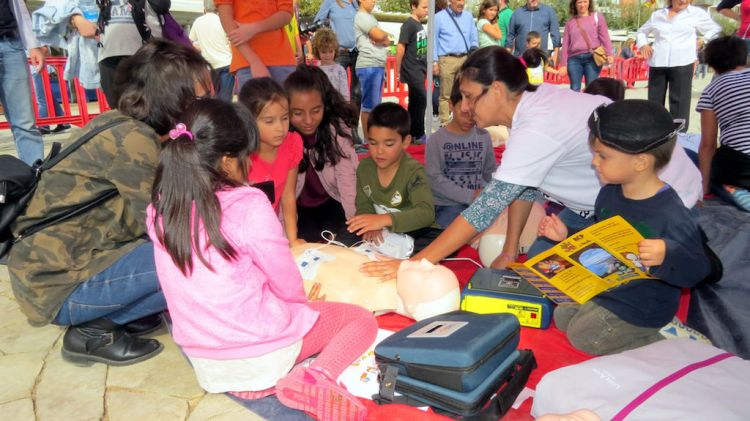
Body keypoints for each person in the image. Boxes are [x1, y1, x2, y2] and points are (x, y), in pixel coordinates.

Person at [358, 47, 703, 281]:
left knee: (589, 284)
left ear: (495, 90)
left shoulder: (537, 126)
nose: (464, 107)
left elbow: (482, 210)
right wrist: (510, 250)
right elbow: (524, 182)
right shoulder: (531, 109)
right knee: (542, 267)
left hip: (661, 202)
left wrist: (414, 265)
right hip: (603, 204)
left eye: (468, 96)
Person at [147, 98, 376, 420]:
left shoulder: (159, 209)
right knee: (358, 319)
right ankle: (315, 376)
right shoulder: (247, 204)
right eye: (246, 158)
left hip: (206, 364)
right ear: (228, 162)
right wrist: (301, 305)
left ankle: (262, 382)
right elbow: (283, 276)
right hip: (260, 355)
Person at [7, 40, 212, 366]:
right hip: (57, 286)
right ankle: (92, 332)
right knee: (195, 260)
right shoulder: (132, 141)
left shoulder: (123, 124)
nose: (208, 106)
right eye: (201, 98)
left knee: (192, 260)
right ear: (175, 98)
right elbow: (167, 226)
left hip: (70, 267)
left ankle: (120, 312)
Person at [538, 100, 711, 355]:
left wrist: (668, 253)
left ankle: (669, 338)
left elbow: (699, 268)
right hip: (610, 286)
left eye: (603, 155)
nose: (595, 162)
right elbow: (600, 241)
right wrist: (567, 236)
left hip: (643, 305)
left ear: (640, 162)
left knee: (584, 338)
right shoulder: (609, 194)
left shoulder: (670, 213)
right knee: (563, 316)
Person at [347, 102, 441, 258]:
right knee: (346, 233)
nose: (379, 151)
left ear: (405, 142)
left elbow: (426, 213)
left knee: (438, 241)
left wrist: (383, 220)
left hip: (413, 230)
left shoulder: (414, 172)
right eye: (372, 143)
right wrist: (369, 225)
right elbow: (363, 204)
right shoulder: (364, 167)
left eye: (388, 144)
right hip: (381, 231)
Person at [285, 65, 360, 243]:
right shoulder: (282, 136)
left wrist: (354, 221)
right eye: (297, 113)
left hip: (333, 202)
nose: (308, 120)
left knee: (343, 241)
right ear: (285, 109)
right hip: (298, 209)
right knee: (301, 247)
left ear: (325, 105)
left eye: (316, 110)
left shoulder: (337, 132)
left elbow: (347, 179)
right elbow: (283, 194)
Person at [238, 78, 304, 245]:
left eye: (284, 118)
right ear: (248, 121)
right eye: (269, 121)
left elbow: (288, 197)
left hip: (271, 228)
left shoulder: (292, 144)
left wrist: (293, 239)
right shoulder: (239, 156)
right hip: (241, 233)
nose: (280, 128)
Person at [636, 0, 720, 130]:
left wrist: (704, 39)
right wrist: (643, 44)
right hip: (658, 62)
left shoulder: (696, 13)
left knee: (680, 103)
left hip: (683, 62)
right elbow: (641, 31)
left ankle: (680, 138)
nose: (683, 1)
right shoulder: (657, 15)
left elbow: (716, 29)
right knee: (654, 103)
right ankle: (653, 134)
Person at [426, 83, 496, 228]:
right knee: (457, 234)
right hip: (447, 205)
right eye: (464, 113)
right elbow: (433, 179)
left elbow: (490, 172)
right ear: (451, 105)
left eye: (474, 113)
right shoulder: (436, 140)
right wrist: (469, 195)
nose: (470, 118)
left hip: (478, 202)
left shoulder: (483, 136)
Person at [696, 36, 750, 211]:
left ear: (711, 64)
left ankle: (732, 190)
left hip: (742, 165)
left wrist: (705, 188)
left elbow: (707, 145)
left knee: (714, 162)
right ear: (744, 57)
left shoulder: (711, 90)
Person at [92, 0, 167, 107]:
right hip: (108, 56)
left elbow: (162, 5)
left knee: (147, 105)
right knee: (117, 107)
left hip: (143, 55)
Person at [1, 0, 45, 165]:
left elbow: (17, 5)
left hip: (10, 44)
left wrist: (33, 45)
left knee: (24, 122)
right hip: (10, 46)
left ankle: (34, 179)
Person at [216, 0, 296, 86]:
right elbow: (227, 22)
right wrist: (254, 62)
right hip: (247, 63)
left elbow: (286, 14)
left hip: (281, 60)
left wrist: (254, 29)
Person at [433, 0, 479, 125]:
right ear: (450, 1)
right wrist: (434, 62)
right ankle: (445, 122)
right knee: (445, 94)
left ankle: (462, 119)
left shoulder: (468, 17)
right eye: (458, 0)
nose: (461, 3)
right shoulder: (439, 18)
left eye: (463, 0)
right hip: (447, 59)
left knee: (465, 92)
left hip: (465, 59)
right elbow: (433, 41)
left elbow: (474, 36)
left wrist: (474, 49)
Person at [314, 0, 361, 118]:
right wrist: (329, 40)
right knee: (334, 90)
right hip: (339, 51)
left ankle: (352, 128)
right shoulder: (330, 1)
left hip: (357, 51)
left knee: (357, 93)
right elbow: (317, 22)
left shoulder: (357, 3)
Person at [559, 0, 614, 92]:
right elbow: (565, 44)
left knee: (591, 88)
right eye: (579, 2)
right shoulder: (570, 22)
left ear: (589, 2)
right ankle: (576, 106)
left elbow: (605, 37)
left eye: (585, 1)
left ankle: (591, 106)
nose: (582, 5)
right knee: (574, 88)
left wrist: (609, 54)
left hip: (592, 57)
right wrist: (563, 64)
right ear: (575, 4)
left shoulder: (597, 18)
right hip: (574, 59)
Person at [354, 0, 390, 134]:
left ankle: (371, 139)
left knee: (374, 105)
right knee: (370, 106)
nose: (374, 1)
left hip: (376, 64)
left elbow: (385, 40)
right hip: (369, 64)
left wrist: (383, 37)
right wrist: (382, 36)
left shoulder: (371, 17)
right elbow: (381, 36)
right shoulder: (362, 16)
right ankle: (368, 140)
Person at [189, 0, 235, 102]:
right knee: (225, 99)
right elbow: (231, 42)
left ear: (204, 9)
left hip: (209, 67)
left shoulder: (198, 22)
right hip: (226, 64)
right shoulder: (222, 20)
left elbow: (190, 43)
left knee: (212, 98)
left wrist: (203, 48)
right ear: (217, 8)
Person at [396, 0, 428, 141]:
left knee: (415, 101)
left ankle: (411, 133)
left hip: (420, 68)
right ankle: (419, 133)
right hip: (412, 68)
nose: (427, 10)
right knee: (421, 99)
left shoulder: (419, 24)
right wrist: (397, 69)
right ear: (414, 6)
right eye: (424, 7)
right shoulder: (409, 24)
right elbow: (401, 47)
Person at [311, 28, 350, 101]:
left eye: (331, 51)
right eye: (324, 52)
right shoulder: (315, 70)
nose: (328, 55)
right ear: (317, 51)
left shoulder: (340, 70)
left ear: (335, 50)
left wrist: (345, 107)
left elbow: (345, 93)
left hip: (337, 106)